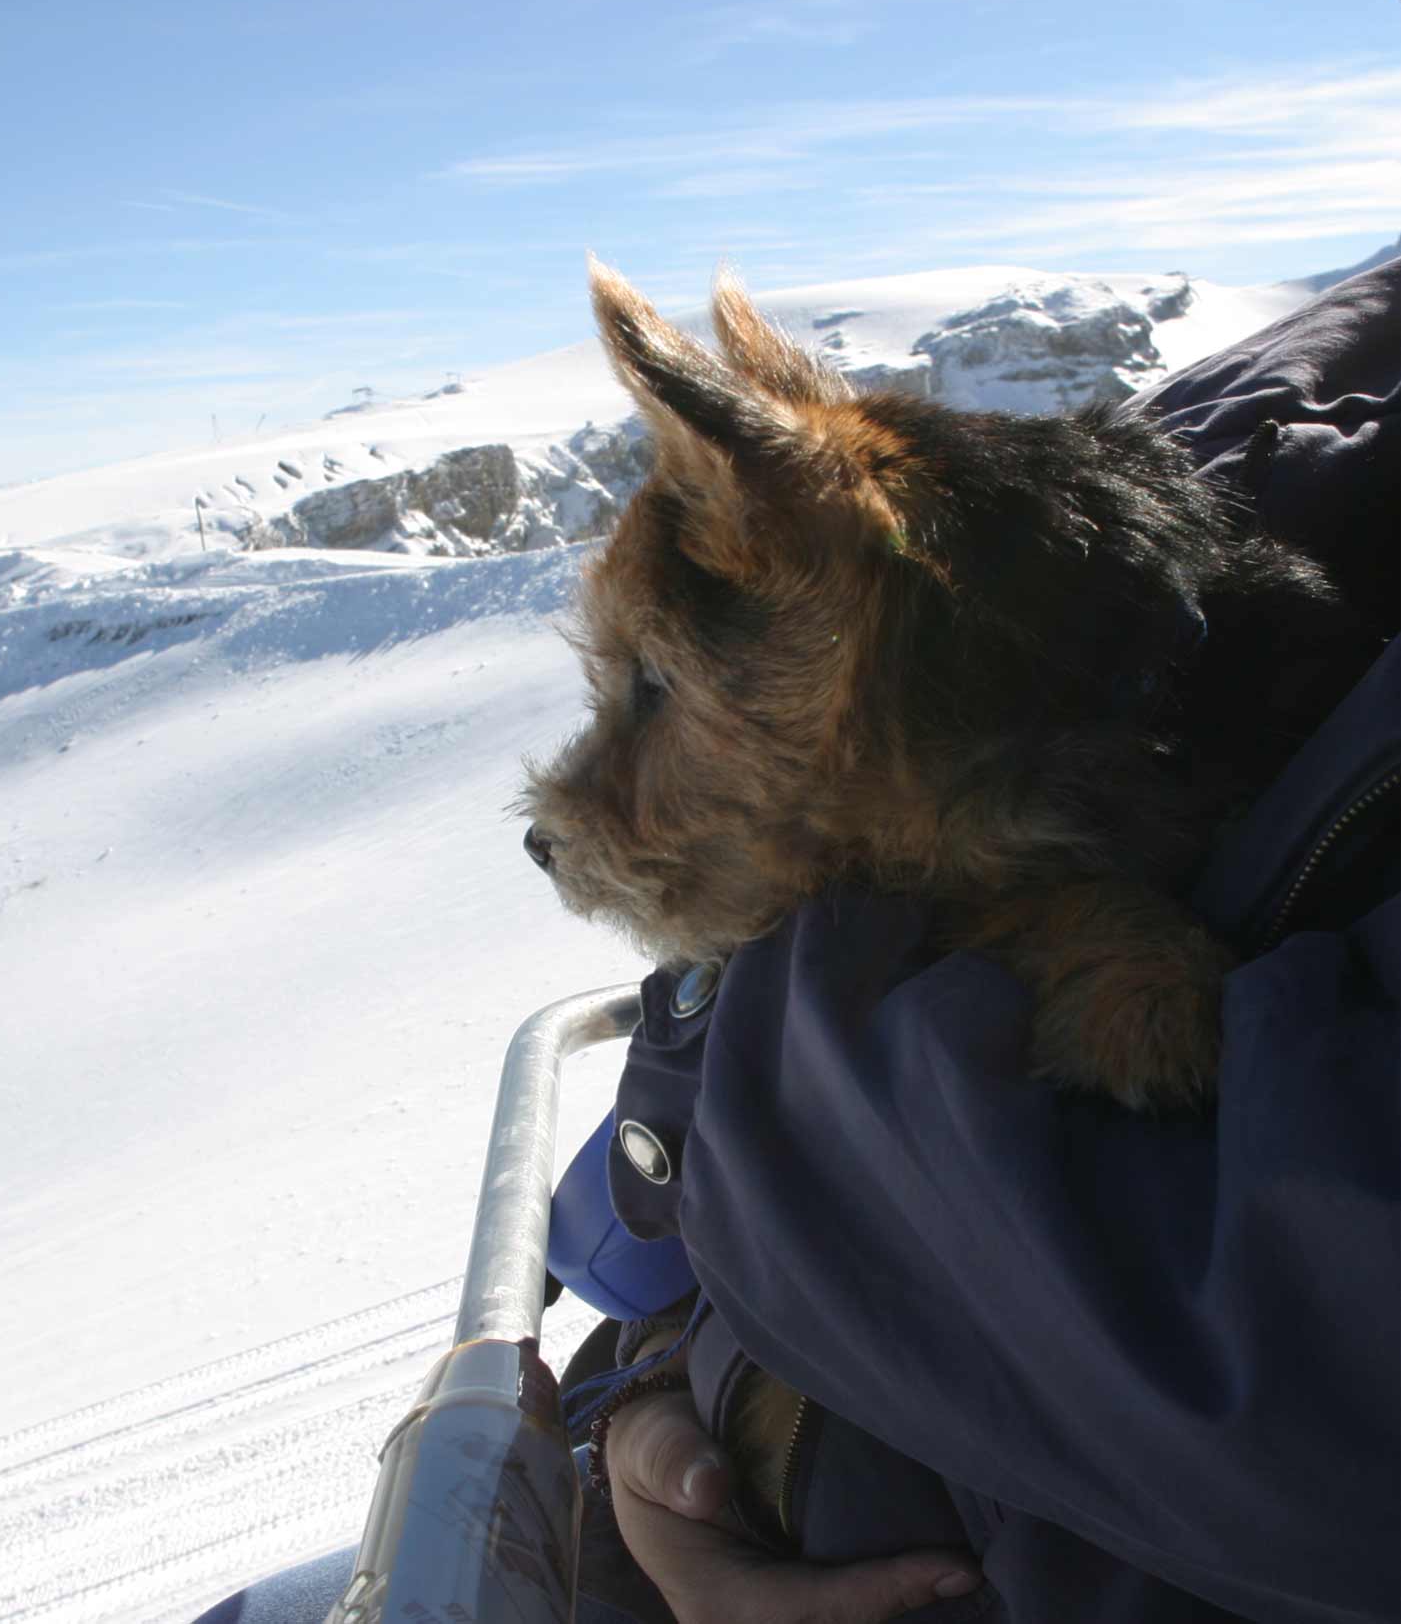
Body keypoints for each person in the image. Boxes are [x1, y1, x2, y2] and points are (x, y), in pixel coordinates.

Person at [196, 256, 1399, 1623]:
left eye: (651, 693)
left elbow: (1304, 1419)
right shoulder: (1248, 438)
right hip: (711, 1462)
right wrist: (643, 1394)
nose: (577, 794)